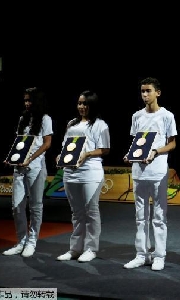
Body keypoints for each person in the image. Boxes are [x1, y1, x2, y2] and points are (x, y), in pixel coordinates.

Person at [122, 77, 177, 271]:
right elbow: (136, 143)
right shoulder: (136, 116)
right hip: (138, 172)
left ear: (158, 93)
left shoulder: (167, 116)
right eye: (142, 91)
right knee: (140, 216)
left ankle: (159, 255)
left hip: (158, 172)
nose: (145, 95)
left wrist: (155, 152)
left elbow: (173, 143)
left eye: (148, 91)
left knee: (159, 216)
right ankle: (141, 254)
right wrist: (130, 156)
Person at [56, 90, 110, 263]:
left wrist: (87, 154)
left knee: (91, 211)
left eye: (85, 103)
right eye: (79, 103)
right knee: (77, 213)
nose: (81, 106)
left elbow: (105, 149)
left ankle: (91, 249)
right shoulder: (71, 124)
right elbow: (66, 146)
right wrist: (60, 156)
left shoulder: (100, 125)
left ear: (92, 105)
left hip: (90, 173)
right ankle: (75, 249)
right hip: (70, 173)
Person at [3, 87, 53, 258]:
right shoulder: (23, 118)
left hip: (36, 166)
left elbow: (47, 144)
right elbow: (19, 142)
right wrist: (12, 158)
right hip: (20, 168)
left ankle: (32, 242)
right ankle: (21, 241)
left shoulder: (46, 119)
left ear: (37, 101)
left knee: (35, 206)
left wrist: (30, 159)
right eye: (25, 100)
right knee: (17, 206)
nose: (27, 103)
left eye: (30, 100)